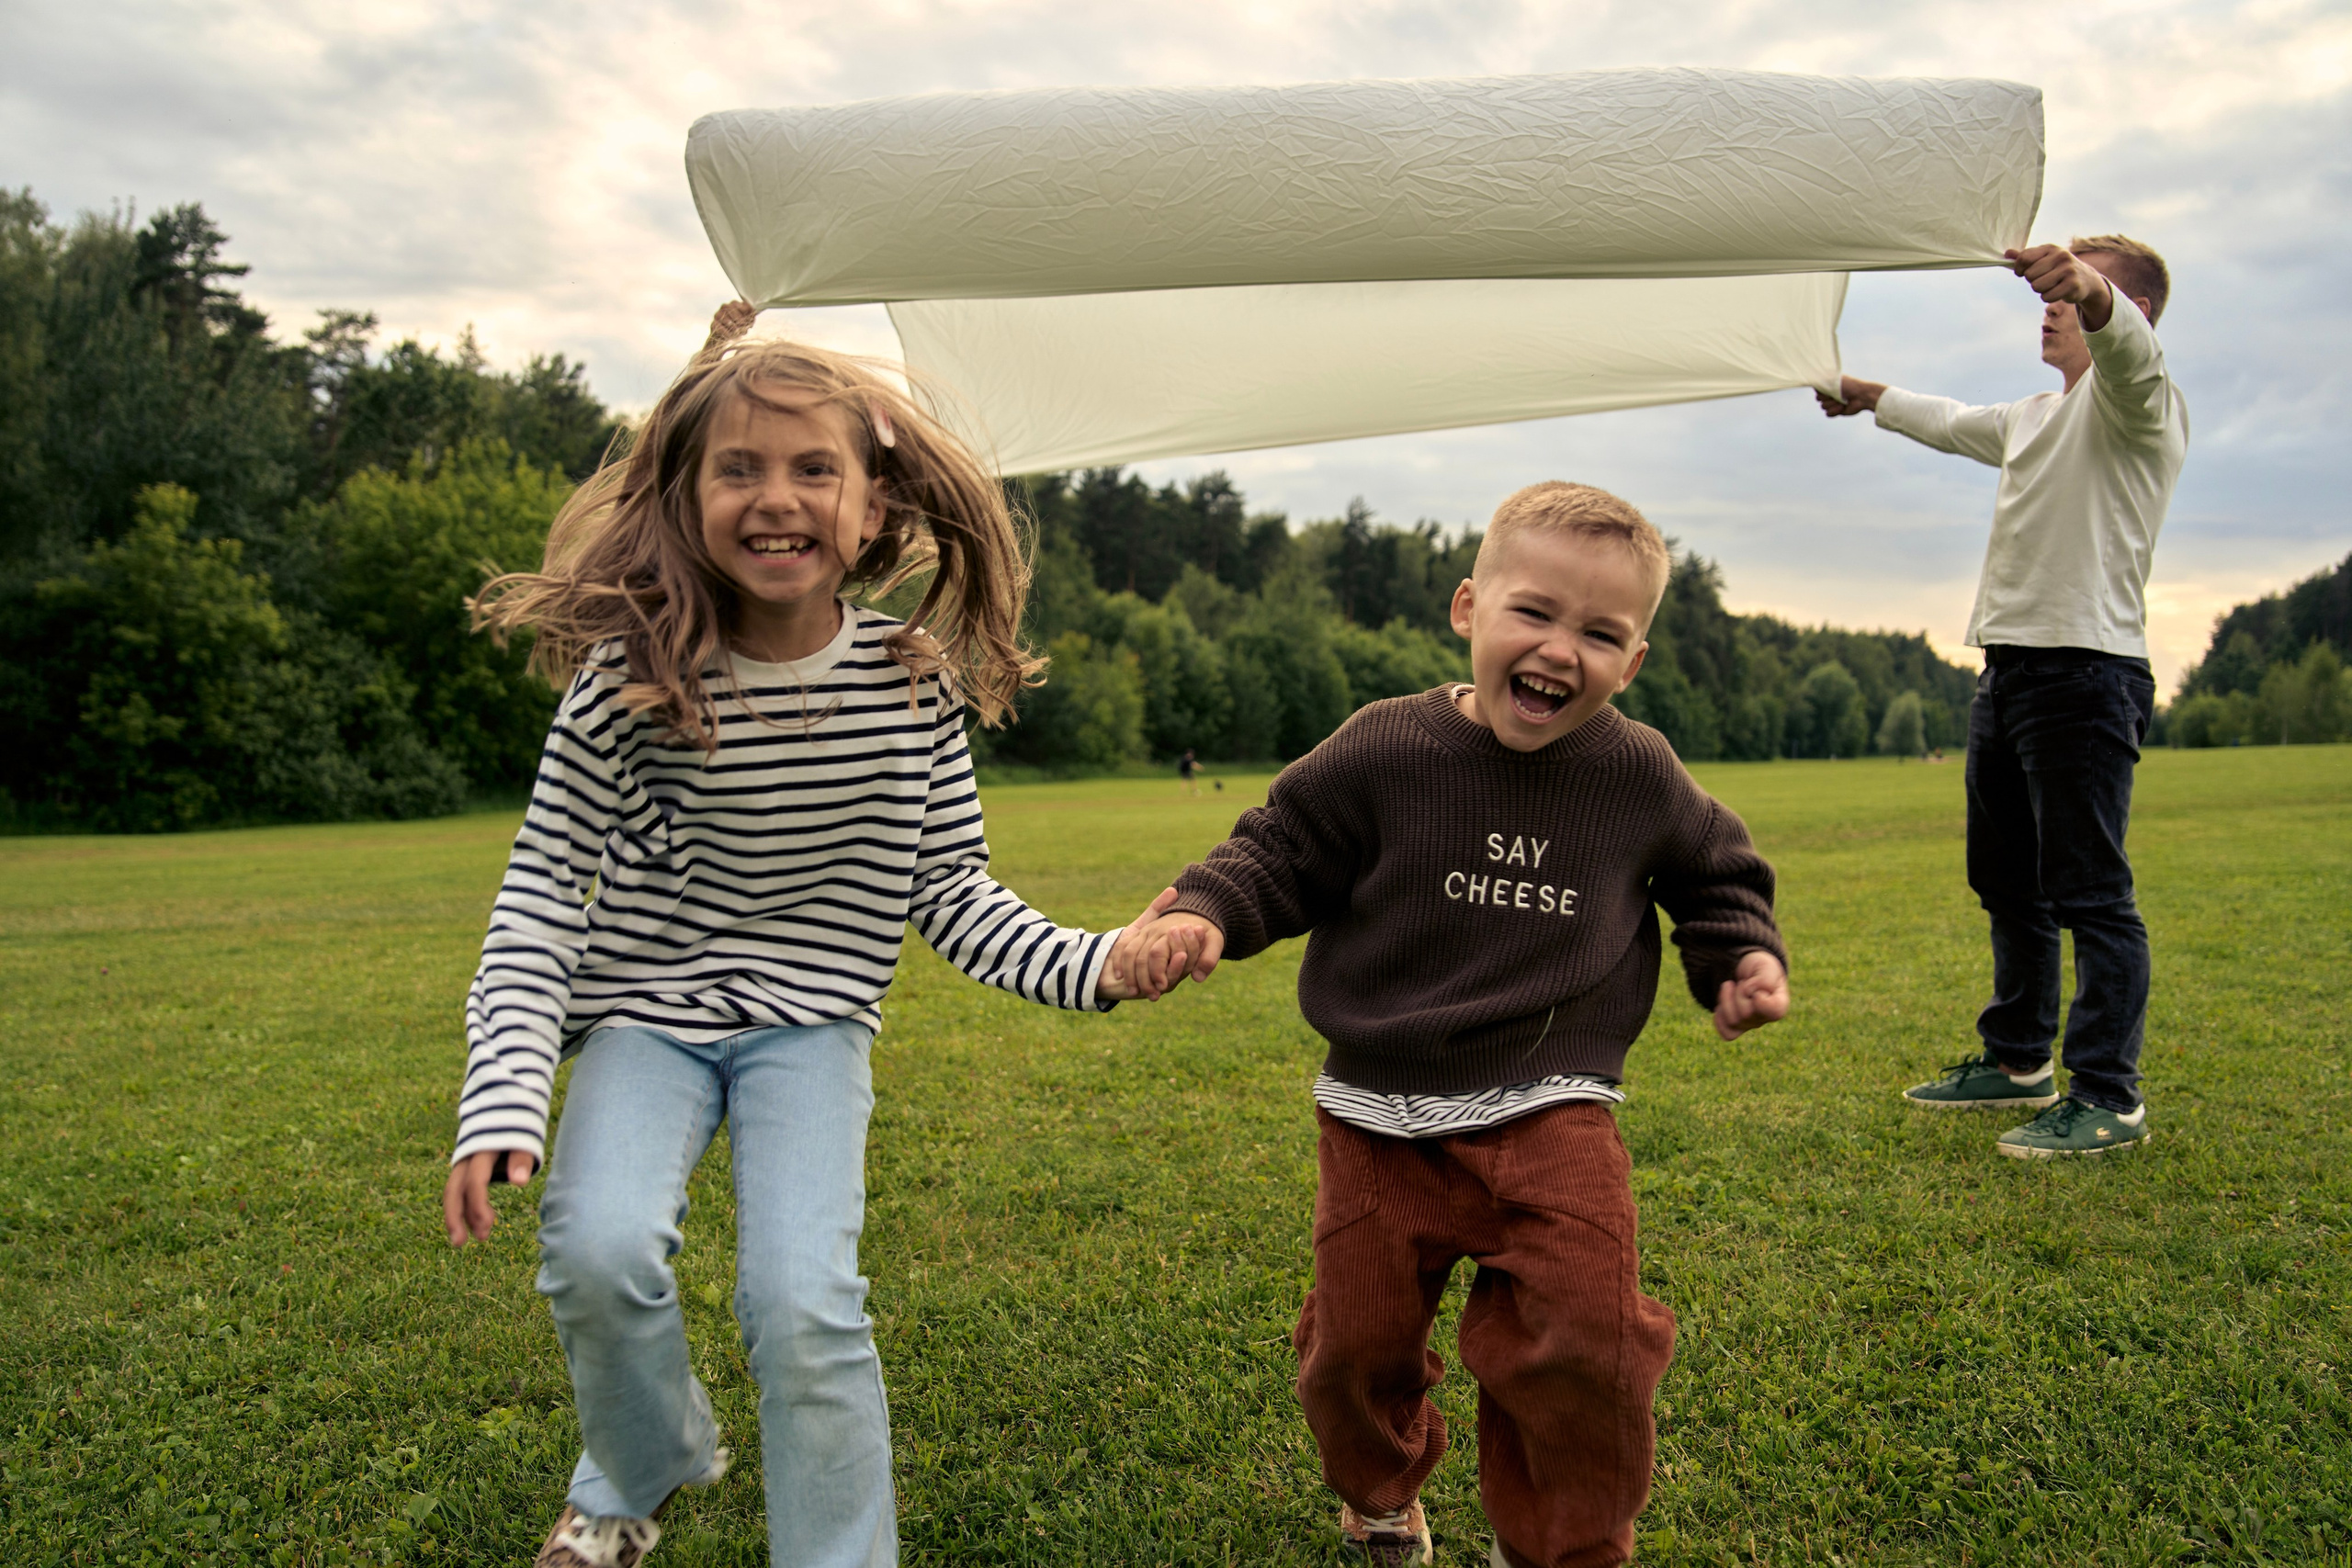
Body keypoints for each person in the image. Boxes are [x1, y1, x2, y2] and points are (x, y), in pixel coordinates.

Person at [439, 303, 1164, 1568]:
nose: (776, 496)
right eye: (739, 467)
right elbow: (544, 891)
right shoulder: (628, 678)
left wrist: (1097, 962)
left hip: (814, 1027)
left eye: (813, 467)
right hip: (646, 1014)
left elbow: (954, 891)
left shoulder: (912, 683)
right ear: (688, 501)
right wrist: (502, 1089)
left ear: (874, 508)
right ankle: (642, 1465)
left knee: (803, 1303)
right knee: (597, 1251)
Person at [1121, 482, 1791, 1568]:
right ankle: (1378, 1492)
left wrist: (1742, 958)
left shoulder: (1635, 773)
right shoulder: (1386, 747)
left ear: (1632, 663)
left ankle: (1561, 1545)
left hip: (1552, 1101)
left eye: (1600, 634)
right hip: (1377, 1109)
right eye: (1534, 612)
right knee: (1357, 1345)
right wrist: (1205, 911)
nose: (1560, 650)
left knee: (1592, 1336)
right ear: (1468, 608)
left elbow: (1716, 872)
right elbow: (1280, 845)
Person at [1818, 237, 2186, 1159]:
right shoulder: (2032, 417)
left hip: (2086, 676)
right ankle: (2019, 1060)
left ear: (2129, 310)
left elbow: (2129, 348)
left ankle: (2108, 1095)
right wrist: (1866, 395)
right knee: (2007, 884)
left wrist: (2091, 287)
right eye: (2054, 293)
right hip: (2009, 674)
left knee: (2091, 894)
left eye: (2070, 295)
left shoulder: (2142, 403)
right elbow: (1949, 421)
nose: (2050, 306)